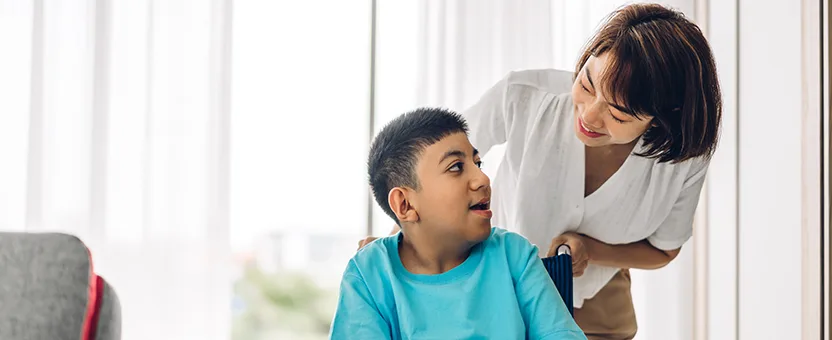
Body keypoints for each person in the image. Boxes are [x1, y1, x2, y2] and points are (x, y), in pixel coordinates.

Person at [357, 4, 721, 339]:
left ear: (663, 119)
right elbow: (432, 167)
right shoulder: (524, 96)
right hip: (497, 288)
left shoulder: (684, 157)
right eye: (587, 84)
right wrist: (397, 248)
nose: (589, 116)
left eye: (619, 112)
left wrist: (589, 250)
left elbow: (663, 250)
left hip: (599, 302)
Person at [331, 108, 586, 340]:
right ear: (405, 205)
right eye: (456, 167)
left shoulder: (514, 255)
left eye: (477, 163)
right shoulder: (368, 274)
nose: (482, 179)